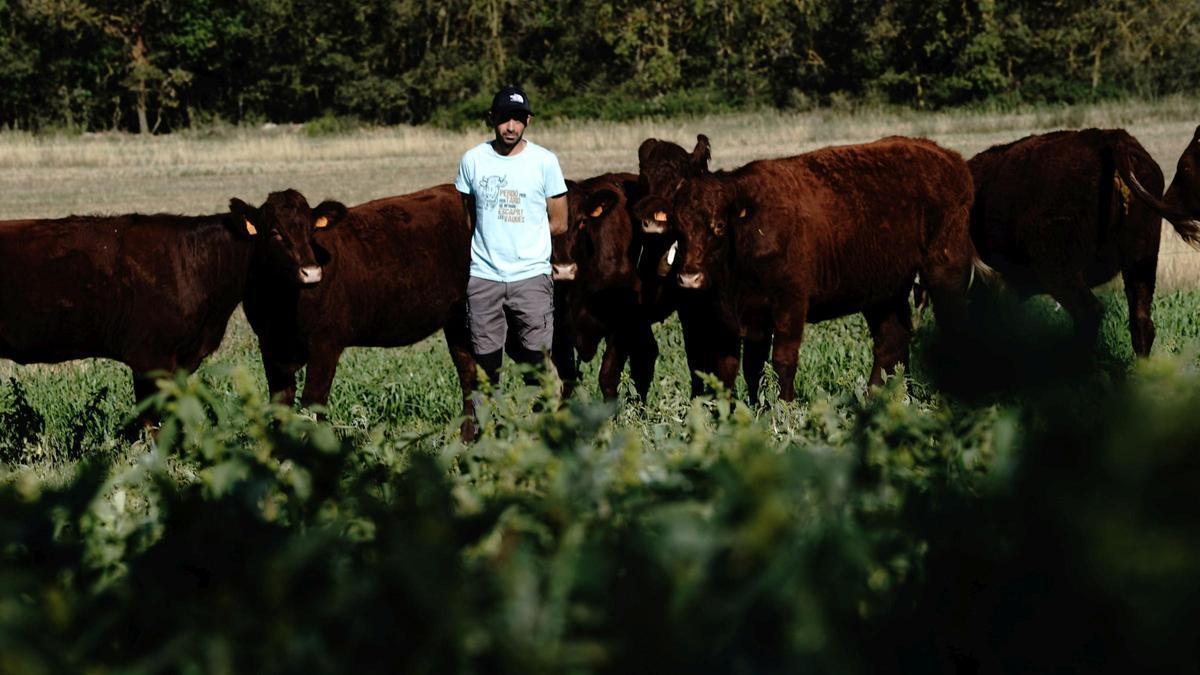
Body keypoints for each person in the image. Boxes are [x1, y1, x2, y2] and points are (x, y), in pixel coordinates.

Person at [455, 85, 568, 387]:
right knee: (486, 369)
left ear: (528, 121)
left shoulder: (544, 162)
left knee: (537, 364)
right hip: (484, 277)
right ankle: (487, 430)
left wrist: (524, 238)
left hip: (531, 276)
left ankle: (542, 429)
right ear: (492, 118)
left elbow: (559, 222)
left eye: (518, 119)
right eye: (505, 118)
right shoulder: (473, 160)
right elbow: (469, 216)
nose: (511, 127)